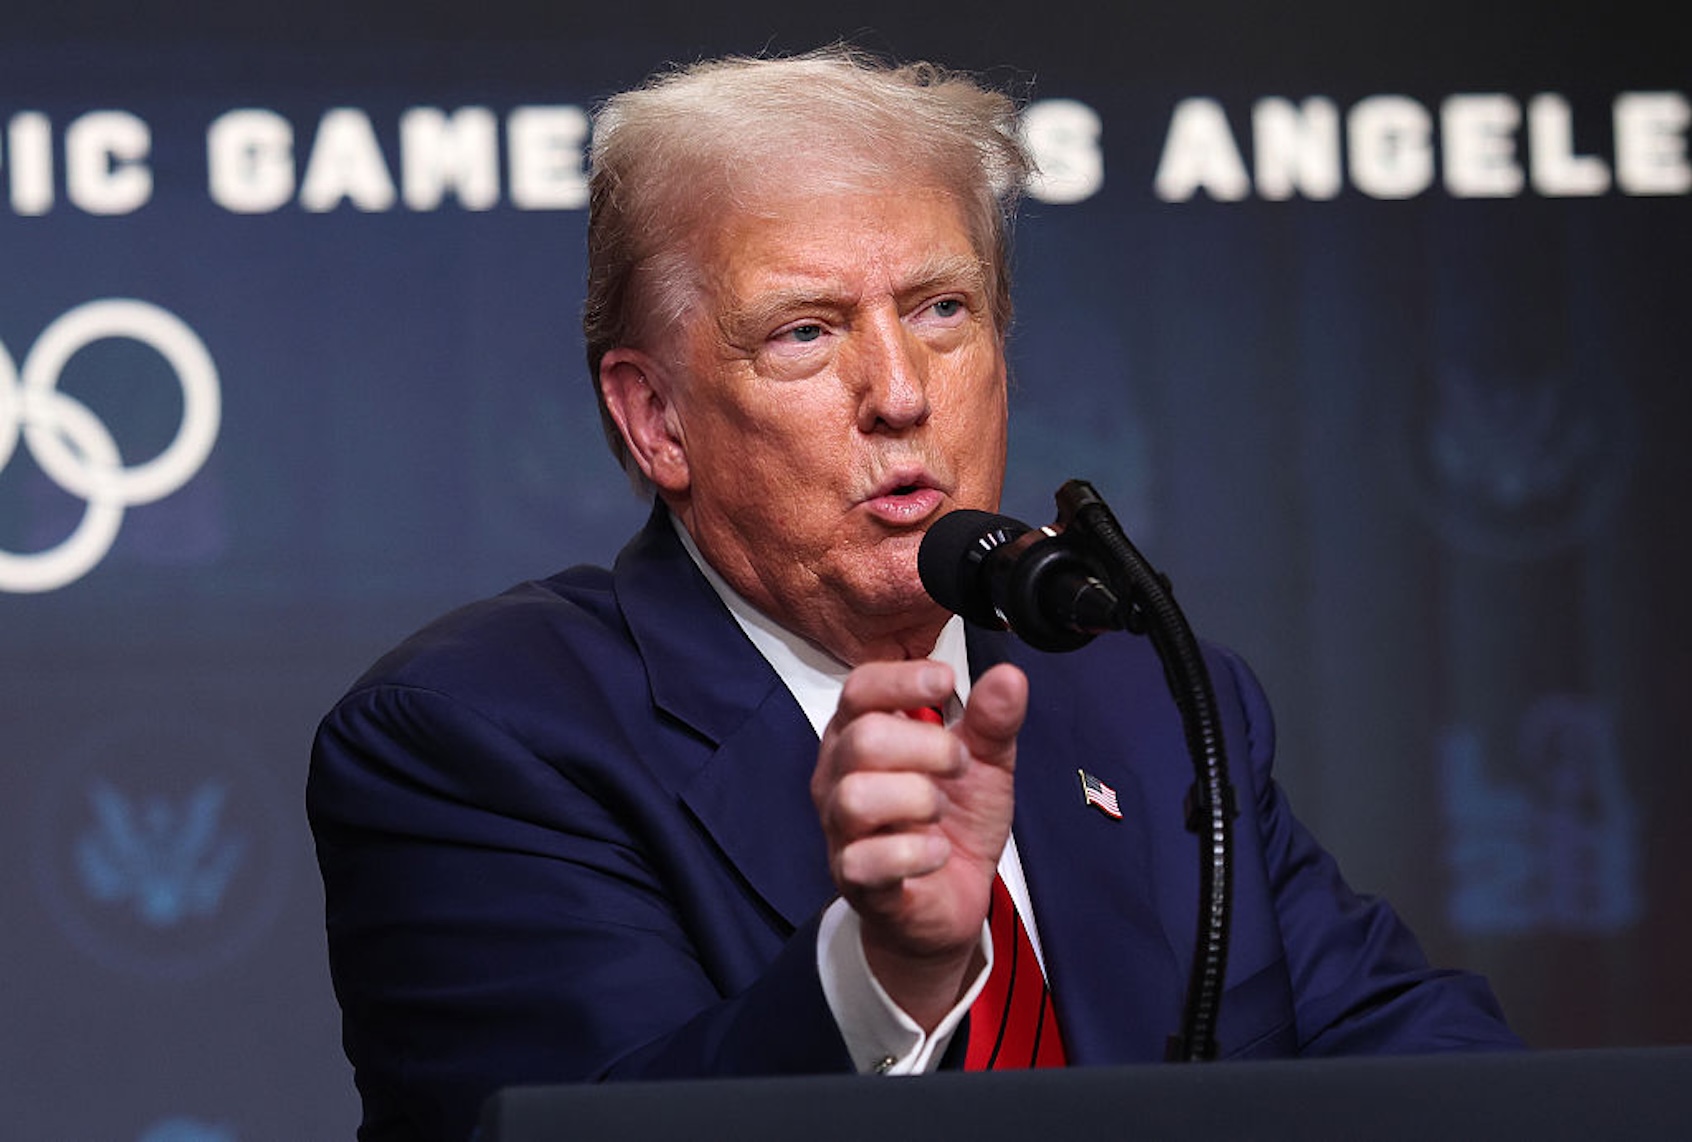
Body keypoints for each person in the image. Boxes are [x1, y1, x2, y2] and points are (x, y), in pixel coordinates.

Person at [307, 46, 1520, 1142]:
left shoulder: (1143, 695)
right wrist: (876, 975)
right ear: (656, 418)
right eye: (803, 332)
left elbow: (1423, 1060)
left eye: (943, 309)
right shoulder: (477, 734)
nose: (899, 390)